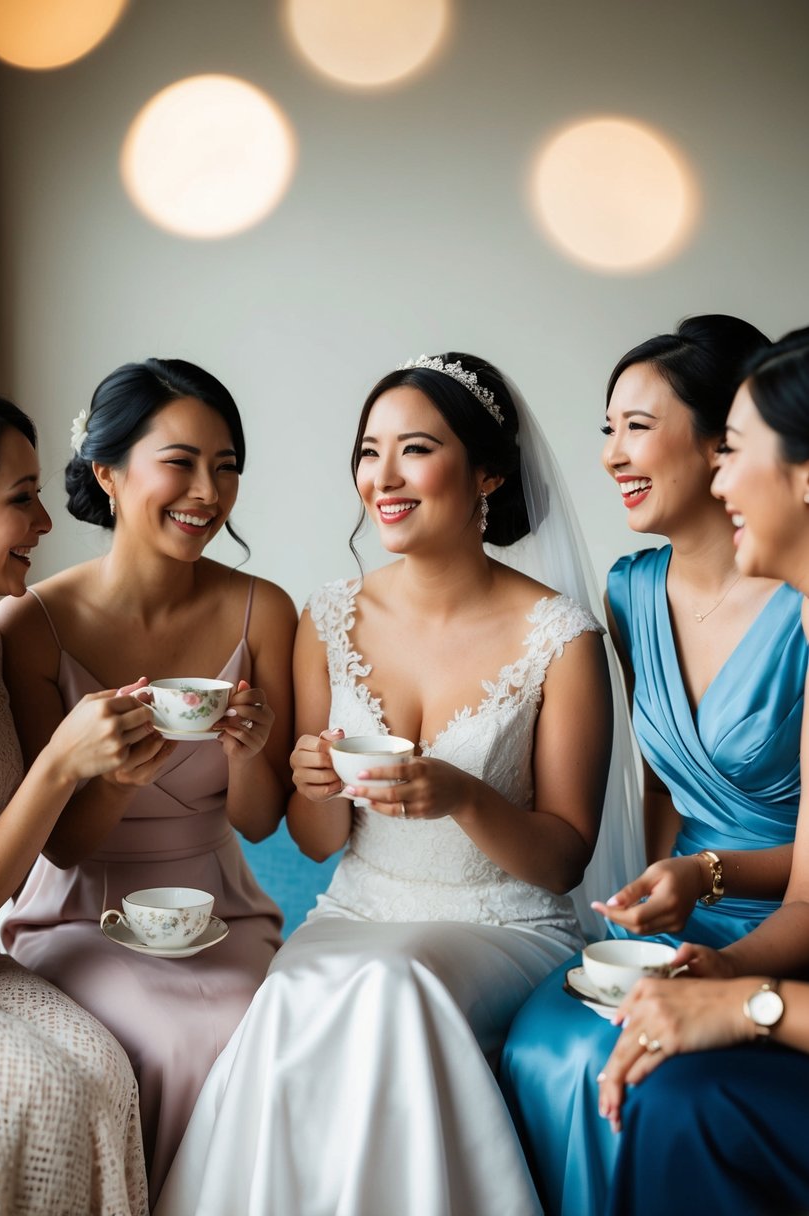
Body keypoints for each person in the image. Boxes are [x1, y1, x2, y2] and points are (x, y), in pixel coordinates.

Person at [154, 350, 635, 1216]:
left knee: (392, 985)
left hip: (501, 922)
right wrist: (317, 783)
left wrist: (462, 794)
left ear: (488, 470)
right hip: (356, 911)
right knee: (297, 989)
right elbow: (313, 841)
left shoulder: (562, 638)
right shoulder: (327, 617)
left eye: (414, 449)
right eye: (368, 451)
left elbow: (563, 858)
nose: (383, 477)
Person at [499, 316, 807, 1216]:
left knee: (650, 1089)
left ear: (722, 446)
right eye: (605, 429)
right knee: (543, 1041)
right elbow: (664, 787)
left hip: (781, 929)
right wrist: (655, 905)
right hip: (694, 917)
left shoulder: (799, 610)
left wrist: (715, 925)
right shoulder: (630, 594)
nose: (609, 455)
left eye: (636, 426)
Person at [0, 359, 296, 1203]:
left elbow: (263, 821)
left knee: (255, 1024)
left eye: (227, 464)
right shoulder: (31, 624)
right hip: (80, 912)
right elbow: (60, 840)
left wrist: (246, 748)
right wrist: (122, 778)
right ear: (108, 472)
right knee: (173, 1036)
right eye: (181, 460)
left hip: (221, 904)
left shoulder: (261, 610)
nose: (209, 489)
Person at [599, 327, 809, 1216]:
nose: (721, 478)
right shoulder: (628, 591)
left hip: (778, 953)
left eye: (735, 451)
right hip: (729, 932)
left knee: (679, 1102)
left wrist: (750, 1003)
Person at [0, 389, 149, 1215]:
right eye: (22, 498)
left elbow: (16, 867)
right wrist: (58, 765)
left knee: (104, 1069)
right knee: (35, 1098)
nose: (46, 521)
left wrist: (118, 768)